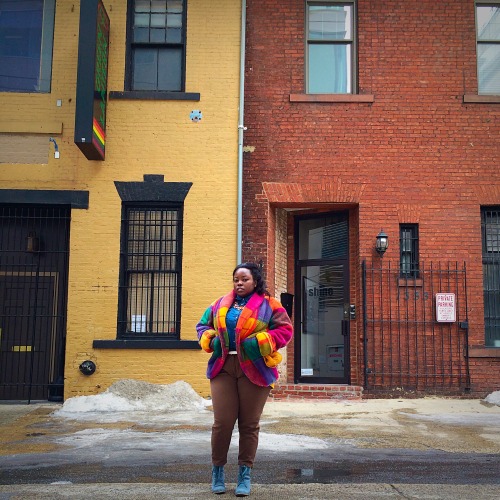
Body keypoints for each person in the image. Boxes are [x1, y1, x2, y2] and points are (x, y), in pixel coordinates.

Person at [196, 263, 293, 496]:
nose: (239, 283)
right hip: (223, 367)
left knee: (249, 425)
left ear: (255, 281)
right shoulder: (219, 303)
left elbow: (285, 330)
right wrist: (213, 340)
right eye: (236, 279)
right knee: (222, 423)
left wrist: (256, 344)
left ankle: (244, 475)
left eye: (244, 279)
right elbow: (202, 326)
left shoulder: (270, 305)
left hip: (255, 367)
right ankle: (217, 471)